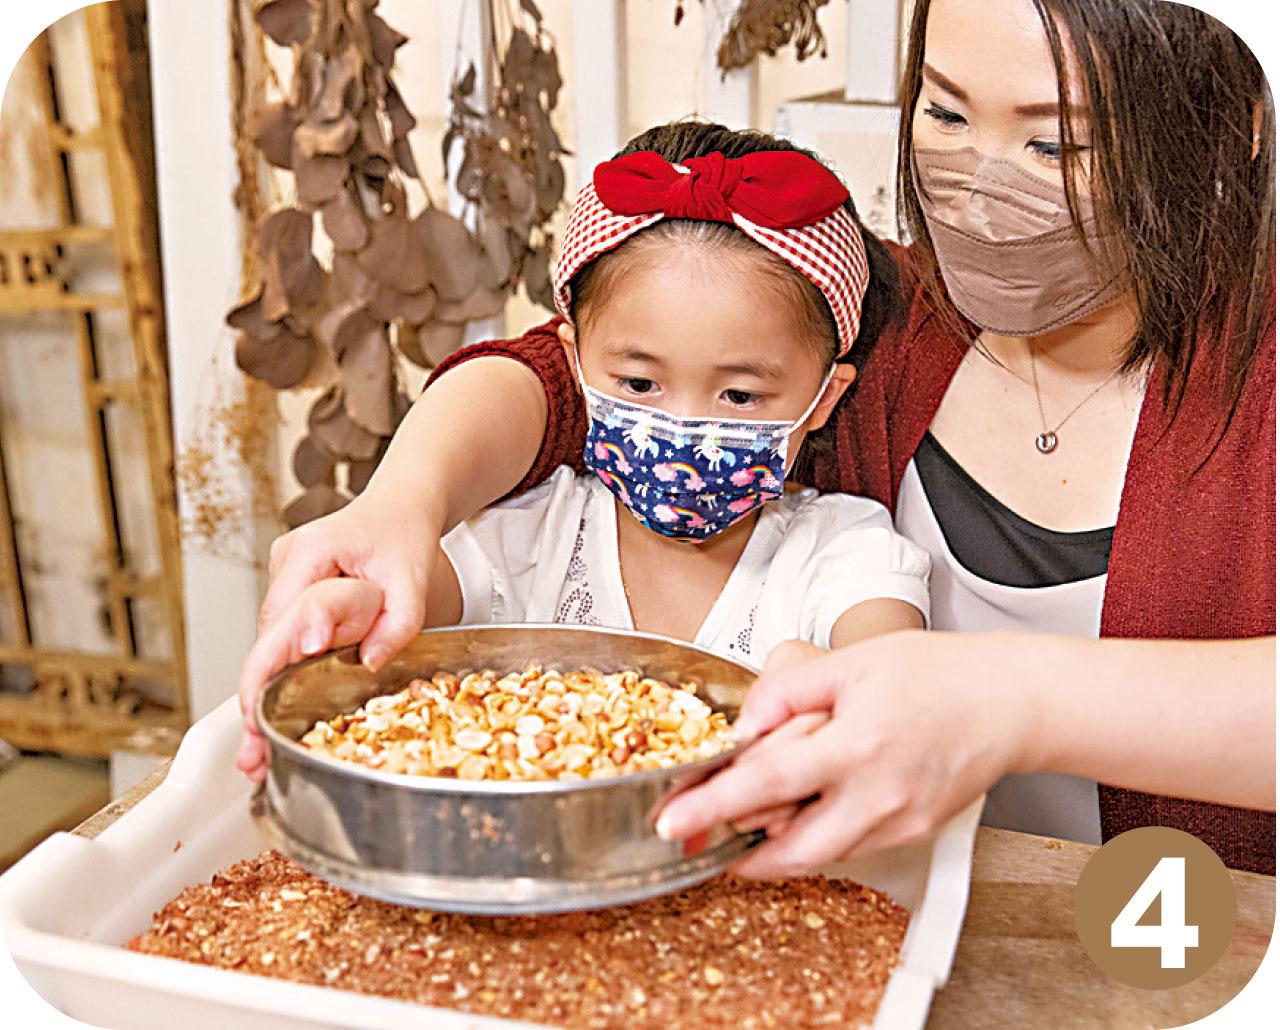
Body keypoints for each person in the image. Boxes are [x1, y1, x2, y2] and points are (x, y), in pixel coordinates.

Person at [248, 0, 1276, 873]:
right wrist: (401, 504)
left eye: (1054, 141)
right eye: (946, 112)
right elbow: (562, 379)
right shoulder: (883, 313)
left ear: (1230, 128)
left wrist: (1007, 700)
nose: (977, 185)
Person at [237, 125, 933, 783]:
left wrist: (846, 693)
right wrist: (346, 613)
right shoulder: (527, 534)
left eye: (740, 396)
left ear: (824, 399)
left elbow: (889, 666)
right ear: (572, 364)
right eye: (638, 383)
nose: (682, 428)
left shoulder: (844, 553)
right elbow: (403, 602)